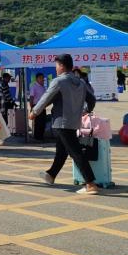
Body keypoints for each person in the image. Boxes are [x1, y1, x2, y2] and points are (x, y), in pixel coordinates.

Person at [29, 53, 97, 194]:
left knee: (76, 152)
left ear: (61, 66)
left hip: (62, 122)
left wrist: (34, 112)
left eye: (56, 66)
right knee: (61, 151)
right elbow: (92, 100)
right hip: (73, 122)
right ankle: (51, 174)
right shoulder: (81, 82)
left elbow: (45, 98)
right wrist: (85, 111)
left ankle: (90, 184)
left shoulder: (59, 81)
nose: (55, 69)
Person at [29, 73, 47, 142]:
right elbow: (31, 97)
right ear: (37, 79)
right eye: (41, 78)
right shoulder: (34, 86)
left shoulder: (43, 87)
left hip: (43, 106)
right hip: (36, 106)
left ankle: (41, 136)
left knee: (43, 122)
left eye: (43, 78)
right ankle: (37, 137)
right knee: (38, 122)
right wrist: (31, 107)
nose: (42, 79)